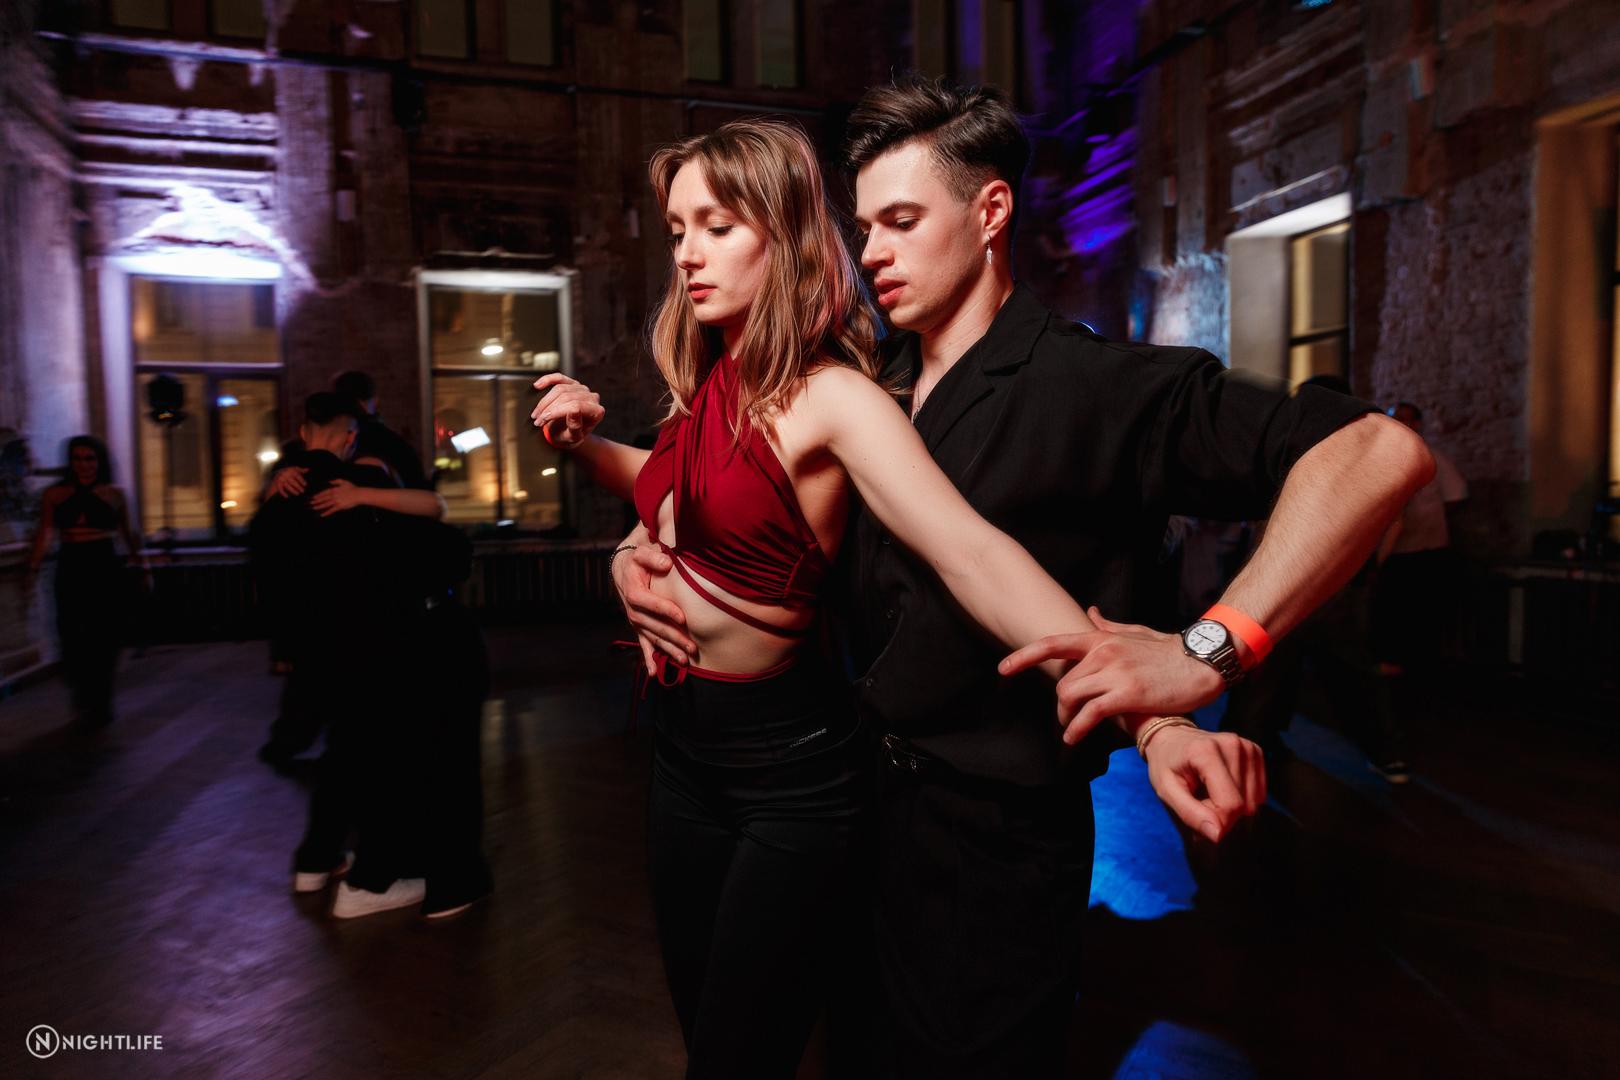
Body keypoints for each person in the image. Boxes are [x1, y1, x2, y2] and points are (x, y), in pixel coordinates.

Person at [559, 79, 1435, 1077]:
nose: (872, 252)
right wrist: (642, 556)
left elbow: (1375, 454)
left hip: (993, 849)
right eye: (863, 228)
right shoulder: (868, 376)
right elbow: (740, 498)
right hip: (839, 803)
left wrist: (1211, 651)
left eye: (901, 222)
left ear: (989, 212)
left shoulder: (1100, 387)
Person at [250, 392, 459, 918]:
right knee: (377, 758)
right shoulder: (358, 484)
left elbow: (266, 574)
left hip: (311, 651)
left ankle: (315, 861)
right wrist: (364, 495)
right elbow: (436, 509)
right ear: (348, 438)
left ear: (303, 432)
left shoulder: (278, 494)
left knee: (342, 754)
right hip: (367, 643)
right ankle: (371, 878)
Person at [26, 436, 144, 728]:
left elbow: (128, 533)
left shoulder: (114, 494)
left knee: (103, 635)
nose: (84, 465)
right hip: (71, 564)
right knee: (71, 632)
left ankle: (101, 701)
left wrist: (142, 565)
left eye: (89, 458)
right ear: (70, 462)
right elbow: (46, 532)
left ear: (99, 461)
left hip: (103, 564)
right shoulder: (55, 494)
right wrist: (33, 567)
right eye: (77, 459)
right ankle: (81, 698)